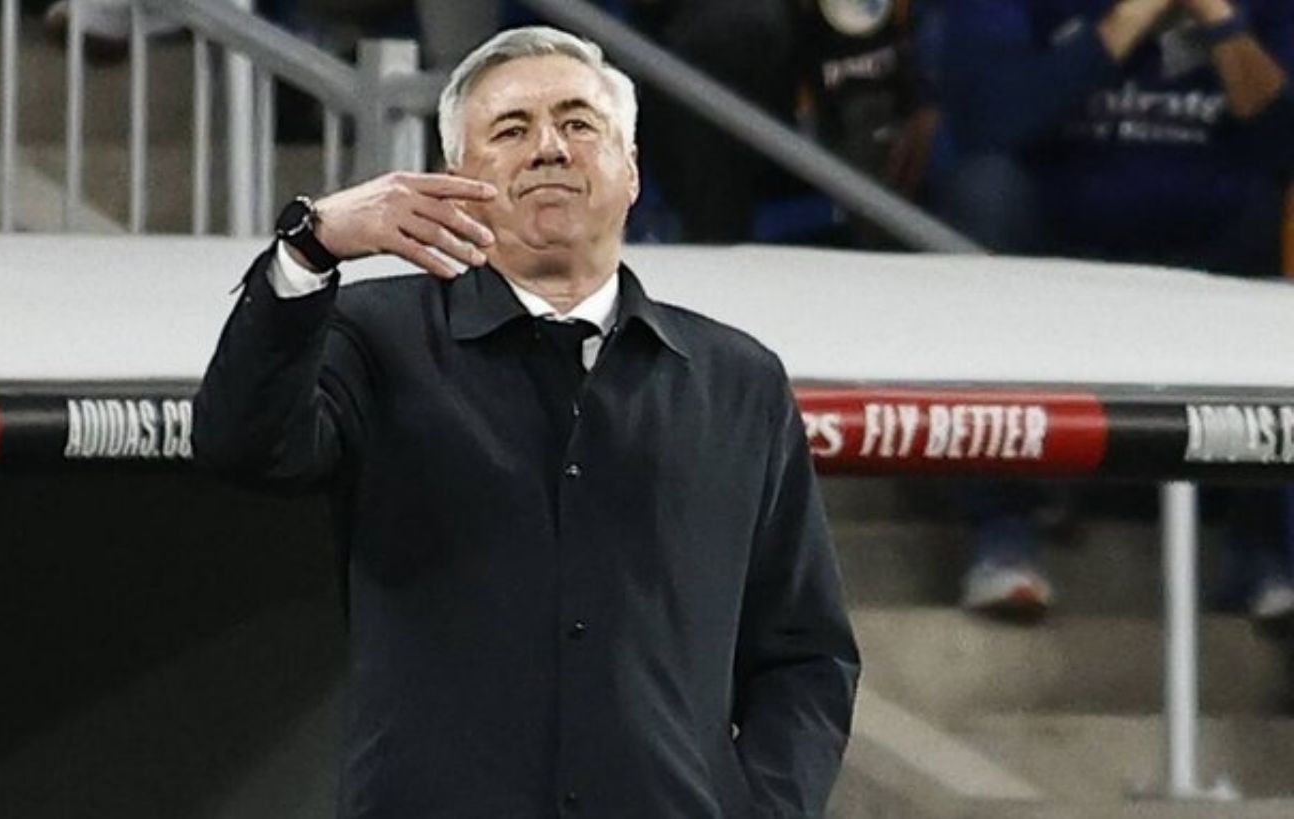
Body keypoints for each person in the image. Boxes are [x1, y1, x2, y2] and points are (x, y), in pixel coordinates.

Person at [192, 26, 859, 818]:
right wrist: (310, 247)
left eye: (579, 122)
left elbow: (805, 654)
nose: (549, 147)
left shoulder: (738, 381)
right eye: (511, 130)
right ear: (455, 180)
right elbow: (241, 442)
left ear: (632, 170)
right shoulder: (373, 337)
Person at [936, 0, 1294, 620]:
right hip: (1055, 238)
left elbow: (1283, 141)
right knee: (983, 193)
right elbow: (990, 120)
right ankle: (1003, 537)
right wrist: (1131, 17)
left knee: (1270, 212)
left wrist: (1220, 20)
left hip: (1209, 239)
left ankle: (1262, 554)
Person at [635, 0, 942, 244]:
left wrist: (931, 91)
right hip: (731, 84)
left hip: (856, 69)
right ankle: (716, 254)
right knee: (736, 28)